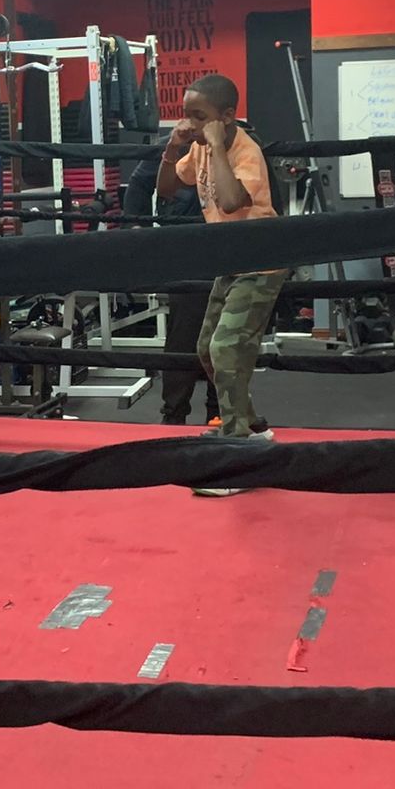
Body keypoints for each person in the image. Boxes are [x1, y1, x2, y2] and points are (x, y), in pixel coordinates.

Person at [157, 74, 281, 496]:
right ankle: (250, 426)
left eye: (200, 116)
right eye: (186, 115)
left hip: (261, 262)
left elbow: (230, 201)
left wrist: (215, 144)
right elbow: (167, 189)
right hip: (230, 262)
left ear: (227, 117)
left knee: (225, 348)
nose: (190, 123)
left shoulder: (246, 151)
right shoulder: (196, 147)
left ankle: (236, 453)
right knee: (205, 347)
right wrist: (175, 145)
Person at [124, 151, 219, 426]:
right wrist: (135, 224)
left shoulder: (242, 143)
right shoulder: (177, 145)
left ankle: (220, 411)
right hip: (186, 246)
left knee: (226, 334)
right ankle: (175, 413)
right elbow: (142, 181)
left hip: (230, 241)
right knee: (186, 332)